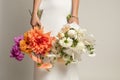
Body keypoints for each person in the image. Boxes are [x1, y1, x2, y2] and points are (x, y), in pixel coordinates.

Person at [30, 0, 80, 80]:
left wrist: (74, 15)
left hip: (62, 8)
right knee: (43, 47)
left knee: (64, 48)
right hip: (45, 8)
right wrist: (34, 12)